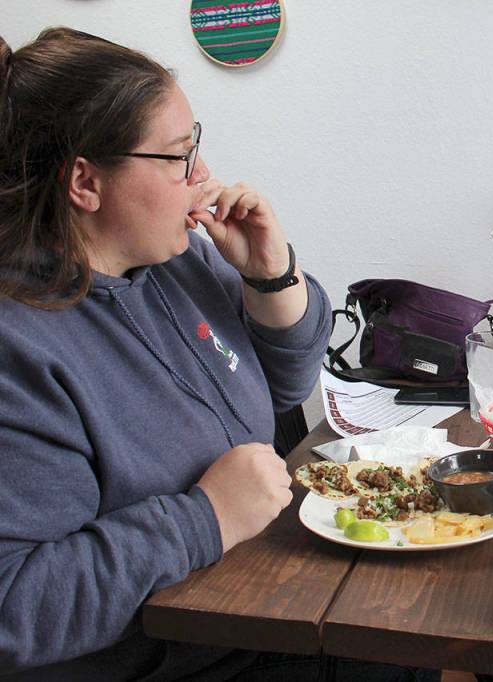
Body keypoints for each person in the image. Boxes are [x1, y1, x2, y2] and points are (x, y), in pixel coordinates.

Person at [0, 28, 430, 682]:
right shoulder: (21, 350)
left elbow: (283, 387)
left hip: (266, 607)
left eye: (195, 144)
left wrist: (270, 274)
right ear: (85, 181)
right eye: (177, 156)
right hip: (182, 661)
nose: (202, 175)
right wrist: (202, 520)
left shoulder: (178, 261)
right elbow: (16, 607)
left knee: (414, 627)